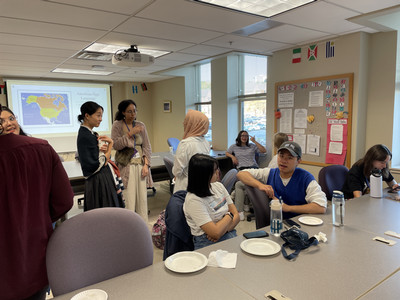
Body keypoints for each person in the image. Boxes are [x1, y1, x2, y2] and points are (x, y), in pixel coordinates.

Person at [0, 105, 74, 300]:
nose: (8, 123)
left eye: (11, 118)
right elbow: (64, 200)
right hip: (35, 256)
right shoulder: (42, 148)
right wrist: (38, 217)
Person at [237, 141, 327, 219]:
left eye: (290, 158)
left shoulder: (306, 178)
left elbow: (320, 207)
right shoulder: (270, 173)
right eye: (281, 156)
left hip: (300, 224)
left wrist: (287, 208)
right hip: (277, 223)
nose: (283, 161)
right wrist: (260, 185)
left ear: (298, 161)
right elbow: (241, 174)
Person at [183, 154, 240, 249]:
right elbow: (215, 233)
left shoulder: (219, 186)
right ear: (203, 175)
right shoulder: (193, 200)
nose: (218, 172)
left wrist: (222, 230)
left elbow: (237, 216)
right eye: (214, 171)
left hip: (228, 233)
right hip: (206, 242)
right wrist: (230, 215)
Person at [77, 101, 124, 211]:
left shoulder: (89, 133)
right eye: (98, 115)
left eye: (101, 116)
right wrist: (111, 144)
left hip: (99, 178)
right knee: (105, 211)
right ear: (87, 116)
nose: (101, 119)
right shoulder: (86, 136)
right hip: (98, 179)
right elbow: (96, 164)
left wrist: (100, 150)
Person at [111, 99, 153, 222]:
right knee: (129, 198)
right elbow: (116, 145)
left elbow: (146, 146)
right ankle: (128, 226)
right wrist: (130, 134)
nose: (133, 114)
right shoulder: (117, 125)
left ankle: (142, 227)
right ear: (123, 112)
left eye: (134, 111)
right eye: (129, 111)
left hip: (140, 166)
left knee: (142, 200)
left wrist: (146, 165)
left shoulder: (141, 125)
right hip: (125, 166)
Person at [226, 130, 267, 220]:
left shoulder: (252, 146)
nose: (244, 137)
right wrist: (232, 157)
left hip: (253, 168)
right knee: (244, 183)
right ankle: (244, 203)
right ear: (239, 137)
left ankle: (242, 202)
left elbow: (264, 150)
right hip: (242, 169)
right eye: (242, 136)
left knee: (244, 184)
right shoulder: (234, 146)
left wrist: (254, 141)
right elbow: (227, 152)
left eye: (246, 136)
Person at [172, 109, 210, 192]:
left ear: (193, 124)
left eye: (186, 121)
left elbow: (177, 171)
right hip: (201, 185)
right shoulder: (206, 143)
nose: (184, 123)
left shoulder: (185, 144)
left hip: (185, 187)